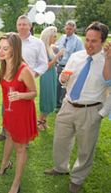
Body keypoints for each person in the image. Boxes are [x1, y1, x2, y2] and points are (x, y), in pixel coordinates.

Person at [44, 22, 110, 193]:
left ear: (102, 42)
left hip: (90, 110)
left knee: (85, 149)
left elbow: (109, 86)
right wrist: (63, 80)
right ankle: (60, 167)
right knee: (60, 141)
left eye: (94, 41)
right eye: (87, 39)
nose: (89, 44)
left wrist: (101, 113)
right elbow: (64, 78)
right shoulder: (77, 56)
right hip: (67, 105)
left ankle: (77, 179)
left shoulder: (107, 61)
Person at [0, 32, 38, 193]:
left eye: (5, 48)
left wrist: (21, 95)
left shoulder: (24, 70)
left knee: (21, 148)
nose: (0, 52)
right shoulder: (4, 65)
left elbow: (34, 92)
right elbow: (6, 79)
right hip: (9, 111)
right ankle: (4, 164)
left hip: (22, 113)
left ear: (14, 50)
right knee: (9, 135)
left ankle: (16, 184)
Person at [0, 15, 48, 141]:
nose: (22, 26)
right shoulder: (11, 40)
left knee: (23, 110)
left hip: (25, 82)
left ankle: (23, 137)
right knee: (7, 107)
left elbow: (44, 63)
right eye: (19, 24)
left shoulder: (37, 43)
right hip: (10, 81)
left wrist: (32, 74)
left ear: (30, 26)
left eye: (25, 24)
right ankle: (6, 132)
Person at [38, 26, 64, 130]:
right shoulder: (43, 48)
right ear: (48, 37)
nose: (55, 39)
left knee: (51, 97)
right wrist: (57, 56)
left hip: (52, 74)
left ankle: (44, 120)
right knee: (46, 97)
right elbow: (46, 66)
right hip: (46, 75)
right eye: (54, 37)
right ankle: (39, 121)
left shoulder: (50, 47)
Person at [56, 20, 84, 110]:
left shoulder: (78, 40)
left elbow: (81, 54)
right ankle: (56, 104)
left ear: (74, 29)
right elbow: (57, 48)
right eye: (67, 28)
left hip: (69, 67)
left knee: (66, 87)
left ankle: (63, 105)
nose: (68, 31)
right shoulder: (62, 38)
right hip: (59, 65)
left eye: (70, 29)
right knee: (57, 85)